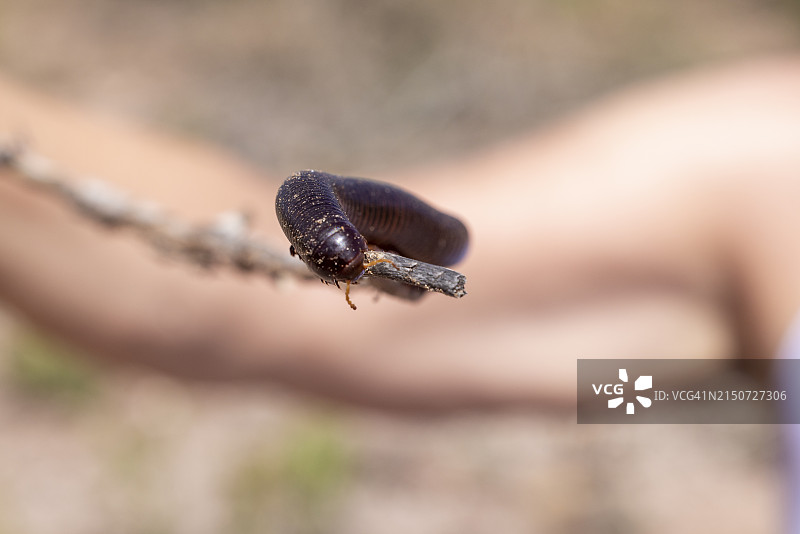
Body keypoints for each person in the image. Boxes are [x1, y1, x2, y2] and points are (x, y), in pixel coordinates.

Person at [1, 57, 800, 414]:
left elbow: (702, 396)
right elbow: (249, 316)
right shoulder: (765, 168)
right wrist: (736, 392)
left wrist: (742, 393)